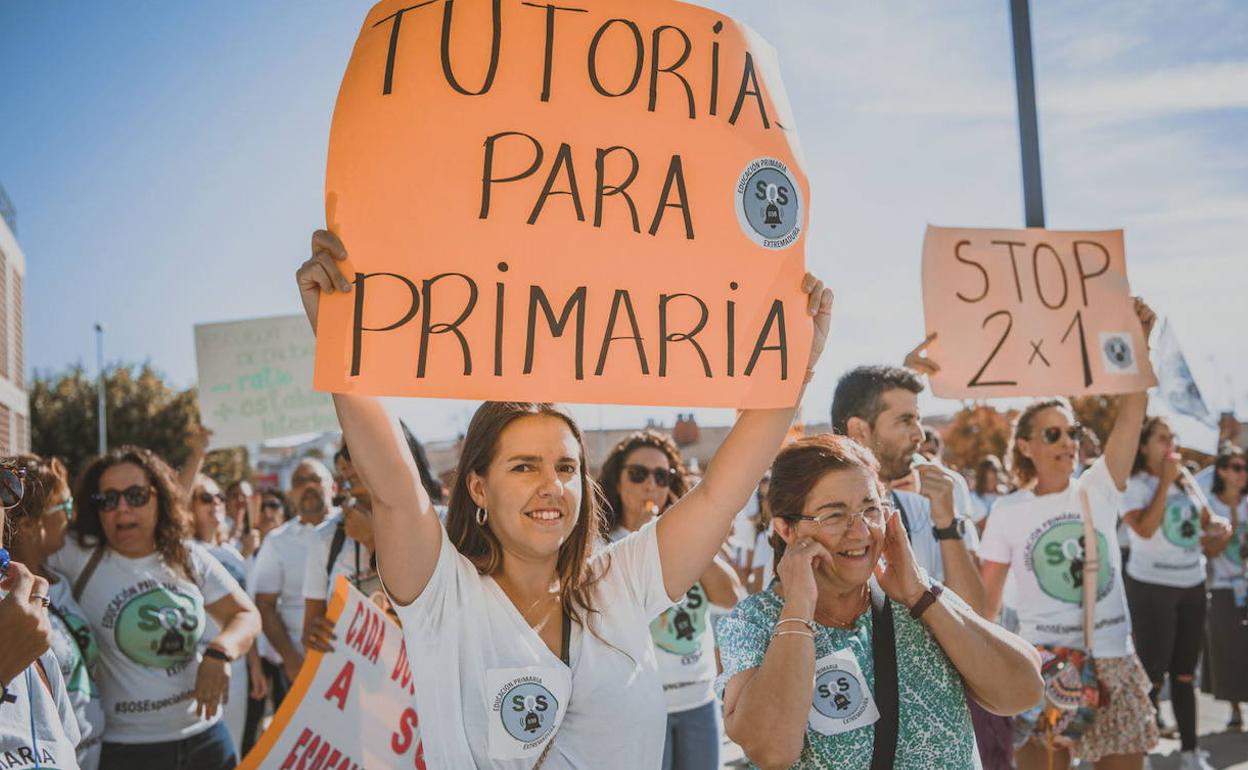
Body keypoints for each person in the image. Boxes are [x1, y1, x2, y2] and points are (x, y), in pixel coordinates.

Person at [297, 228, 833, 768]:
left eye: (565, 467)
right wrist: (338, 335)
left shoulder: (621, 582)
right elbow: (394, 489)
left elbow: (721, 492)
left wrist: (796, 367)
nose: (550, 484)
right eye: (524, 466)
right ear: (478, 486)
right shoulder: (442, 595)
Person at [717, 434, 1042, 769]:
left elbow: (1024, 690)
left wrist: (921, 595)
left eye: (870, 510)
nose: (859, 531)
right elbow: (771, 751)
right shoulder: (755, 621)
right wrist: (798, 608)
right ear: (787, 529)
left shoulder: (915, 596)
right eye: (834, 515)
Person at [977, 294, 1164, 770]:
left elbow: (1132, 412)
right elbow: (988, 603)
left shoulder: (1099, 487)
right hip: (1045, 668)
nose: (1068, 442)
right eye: (1052, 434)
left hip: (1111, 660)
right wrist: (992, 674)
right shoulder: (1008, 510)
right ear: (1025, 446)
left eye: (1072, 432)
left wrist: (1138, 347)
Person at [47, 446, 261, 770]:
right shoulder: (77, 555)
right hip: (129, 751)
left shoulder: (186, 556)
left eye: (136, 496)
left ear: (159, 498)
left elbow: (246, 614)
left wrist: (221, 652)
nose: (122, 509)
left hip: (208, 740)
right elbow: (23, 538)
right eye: (108, 499)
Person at [598, 429, 744, 770]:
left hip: (698, 700)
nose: (651, 485)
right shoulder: (602, 546)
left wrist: (684, 532)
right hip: (639, 705)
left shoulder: (689, 540)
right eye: (638, 474)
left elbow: (729, 596)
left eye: (662, 476)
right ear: (617, 481)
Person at [829, 365, 986, 615]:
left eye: (918, 419)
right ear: (859, 430)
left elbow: (976, 617)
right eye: (905, 420)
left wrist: (947, 525)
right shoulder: (812, 514)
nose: (920, 435)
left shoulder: (923, 506)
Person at [1122, 417, 1231, 768]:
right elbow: (1144, 528)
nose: (1170, 443)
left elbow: (1207, 530)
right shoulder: (1135, 484)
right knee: (1152, 674)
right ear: (1143, 445)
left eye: (1172, 437)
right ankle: (1145, 750)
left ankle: (1190, 751)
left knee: (1186, 674)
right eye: (1161, 438)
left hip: (1192, 584)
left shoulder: (1186, 483)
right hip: (1152, 587)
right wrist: (1164, 483)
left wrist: (1220, 532)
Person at [4, 454, 105, 769]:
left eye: (3, 486)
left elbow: (63, 741)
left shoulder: (28, 603)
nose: (71, 517)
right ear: (28, 526)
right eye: (65, 508)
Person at [187, 474, 265, 756]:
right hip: (202, 663)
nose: (217, 503)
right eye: (206, 498)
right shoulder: (184, 552)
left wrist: (255, 665)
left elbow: (246, 613)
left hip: (238, 665)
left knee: (234, 745)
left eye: (219, 497)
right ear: (188, 507)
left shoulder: (233, 554)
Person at [249, 459, 337, 688]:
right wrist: (291, 660)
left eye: (315, 480)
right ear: (291, 494)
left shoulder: (355, 528)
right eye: (299, 482)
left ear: (333, 487)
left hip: (361, 660)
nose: (307, 486)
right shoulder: (277, 542)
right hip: (304, 666)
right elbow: (264, 605)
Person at [241, 487, 292, 755]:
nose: (269, 512)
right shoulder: (246, 551)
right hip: (254, 649)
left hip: (284, 648)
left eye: (275, 505)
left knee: (287, 718)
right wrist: (244, 552)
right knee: (252, 719)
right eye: (264, 506)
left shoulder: (294, 550)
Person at [1203, 444, 1248, 730]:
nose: (1242, 473)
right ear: (1221, 471)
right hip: (1221, 585)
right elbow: (1210, 550)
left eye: (1244, 467)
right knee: (1229, 649)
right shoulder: (1209, 507)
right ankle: (1235, 709)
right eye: (1235, 467)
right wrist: (1229, 525)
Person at [970, 455, 1006, 531]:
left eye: (994, 478)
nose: (991, 482)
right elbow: (986, 525)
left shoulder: (1004, 493)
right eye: (987, 479)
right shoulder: (973, 498)